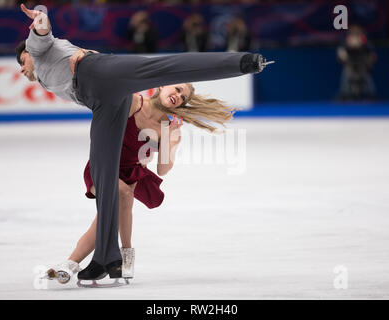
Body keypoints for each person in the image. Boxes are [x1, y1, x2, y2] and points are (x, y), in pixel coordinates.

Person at [17, 3, 271, 286]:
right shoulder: (43, 76)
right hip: (99, 101)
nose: (22, 67)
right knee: (106, 180)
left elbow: (42, 34)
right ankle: (107, 258)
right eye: (176, 89)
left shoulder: (39, 49)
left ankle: (242, 62)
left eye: (23, 60)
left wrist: (42, 18)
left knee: (163, 67)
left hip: (99, 76)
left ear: (28, 51)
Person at [44, 82, 237, 285]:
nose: (178, 96)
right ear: (162, 86)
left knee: (104, 219)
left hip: (131, 174)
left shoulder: (168, 128)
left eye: (183, 98)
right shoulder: (133, 102)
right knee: (123, 195)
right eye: (177, 90)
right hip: (102, 168)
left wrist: (170, 139)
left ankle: (69, 264)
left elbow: (163, 169)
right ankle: (124, 257)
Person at [337, 25, 377, 101]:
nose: (355, 34)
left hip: (363, 65)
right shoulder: (346, 41)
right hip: (349, 65)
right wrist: (343, 58)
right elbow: (340, 55)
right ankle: (344, 95)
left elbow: (372, 55)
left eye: (357, 32)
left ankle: (371, 95)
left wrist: (369, 62)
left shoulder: (365, 41)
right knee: (346, 75)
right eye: (353, 32)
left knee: (367, 78)